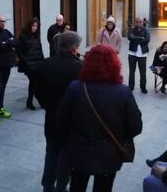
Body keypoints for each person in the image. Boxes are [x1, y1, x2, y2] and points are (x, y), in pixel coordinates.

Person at [58, 44, 142, 192]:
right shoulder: (122, 92)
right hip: (109, 153)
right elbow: (136, 127)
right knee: (104, 188)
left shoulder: (75, 87)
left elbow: (62, 120)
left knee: (77, 186)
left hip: (79, 151)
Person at [35, 31, 83, 192]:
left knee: (51, 152)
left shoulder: (44, 64)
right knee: (66, 157)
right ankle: (61, 187)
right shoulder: (79, 67)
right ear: (74, 48)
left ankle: (48, 186)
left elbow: (37, 90)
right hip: (71, 122)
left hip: (51, 118)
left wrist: (47, 104)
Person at [18, 17, 45, 110]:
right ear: (29, 25)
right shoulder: (23, 36)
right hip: (29, 65)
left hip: (37, 63)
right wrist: (26, 61)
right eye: (33, 26)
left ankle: (30, 102)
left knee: (34, 83)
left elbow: (40, 50)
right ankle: (40, 101)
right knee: (35, 83)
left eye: (36, 26)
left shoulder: (36, 36)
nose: (35, 28)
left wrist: (43, 61)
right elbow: (19, 51)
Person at [128, 17, 150, 94]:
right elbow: (130, 37)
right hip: (132, 53)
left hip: (143, 54)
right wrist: (141, 38)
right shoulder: (132, 29)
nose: (138, 23)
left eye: (140, 22)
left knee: (143, 72)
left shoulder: (146, 30)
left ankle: (143, 87)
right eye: (137, 22)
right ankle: (131, 86)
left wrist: (135, 39)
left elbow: (147, 40)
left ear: (143, 22)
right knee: (131, 71)